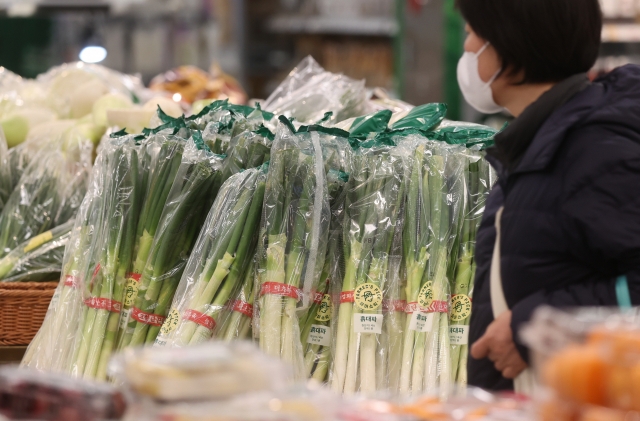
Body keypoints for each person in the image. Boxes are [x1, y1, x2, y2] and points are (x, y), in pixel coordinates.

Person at [456, 0, 640, 391]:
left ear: (506, 45)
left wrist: (532, 324)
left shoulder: (594, 149)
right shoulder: (540, 140)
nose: (467, 49)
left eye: (472, 33)